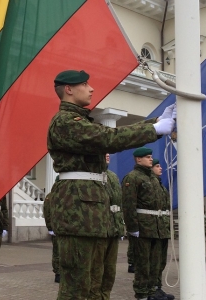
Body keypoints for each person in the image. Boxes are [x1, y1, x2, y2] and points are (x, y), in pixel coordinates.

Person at [46, 69, 175, 299]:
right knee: (77, 288)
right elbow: (108, 138)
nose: (91, 88)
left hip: (93, 215)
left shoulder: (80, 121)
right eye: (85, 84)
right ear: (68, 89)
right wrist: (153, 130)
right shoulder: (64, 122)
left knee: (101, 284)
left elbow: (109, 134)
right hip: (78, 215)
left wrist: (156, 122)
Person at [122, 147, 169, 300]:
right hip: (143, 228)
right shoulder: (133, 177)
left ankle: (152, 291)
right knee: (143, 264)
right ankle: (142, 294)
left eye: (151, 156)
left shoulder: (153, 179)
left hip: (157, 227)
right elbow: (129, 205)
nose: (150, 159)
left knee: (156, 263)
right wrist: (132, 228)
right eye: (147, 157)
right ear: (138, 159)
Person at [89, 153, 124, 299]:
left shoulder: (113, 177)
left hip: (113, 230)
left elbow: (118, 203)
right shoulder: (90, 176)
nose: (107, 154)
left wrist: (120, 225)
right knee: (96, 270)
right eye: (103, 151)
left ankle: (105, 296)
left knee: (110, 271)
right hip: (98, 230)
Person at [150, 159, 174, 300]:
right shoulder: (150, 184)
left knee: (160, 261)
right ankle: (151, 290)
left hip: (163, 228)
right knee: (153, 261)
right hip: (154, 228)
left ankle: (158, 288)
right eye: (157, 166)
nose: (161, 168)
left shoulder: (160, 186)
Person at [43, 175, 60, 283]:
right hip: (55, 228)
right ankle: (58, 273)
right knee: (57, 252)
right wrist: (50, 228)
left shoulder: (64, 195)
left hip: (65, 228)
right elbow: (47, 213)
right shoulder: (50, 196)